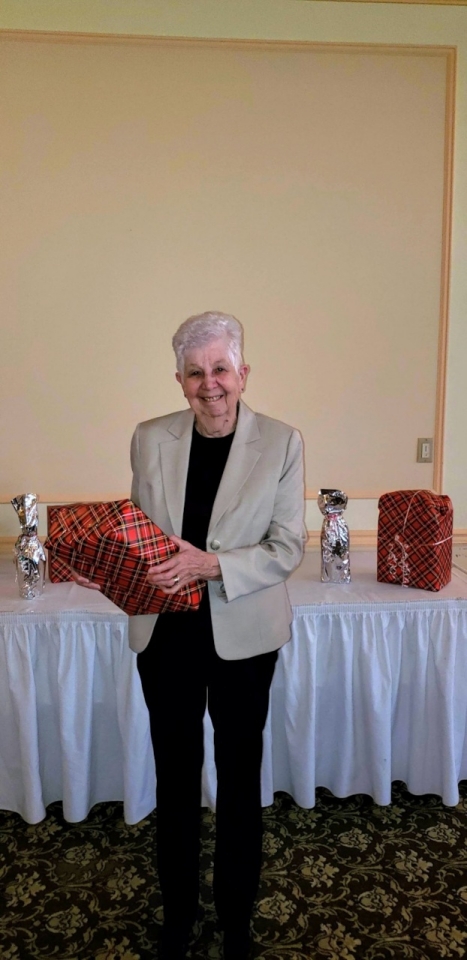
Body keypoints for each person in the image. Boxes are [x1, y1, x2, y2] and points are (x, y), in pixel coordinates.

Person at [78, 311, 306, 959]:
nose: (210, 384)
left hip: (244, 638)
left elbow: (286, 547)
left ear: (243, 373)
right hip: (167, 635)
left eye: (221, 369)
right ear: (178, 380)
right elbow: (139, 532)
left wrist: (211, 566)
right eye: (195, 372)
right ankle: (177, 915)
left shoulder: (282, 442)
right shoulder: (150, 437)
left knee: (239, 781)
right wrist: (107, 562)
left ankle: (235, 920)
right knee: (174, 782)